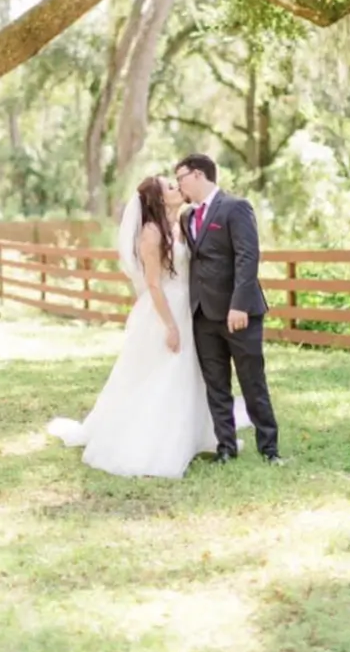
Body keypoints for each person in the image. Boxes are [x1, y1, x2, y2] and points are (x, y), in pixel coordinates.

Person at [46, 175, 250, 478]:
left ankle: (193, 434)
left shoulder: (181, 224)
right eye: (170, 186)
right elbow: (153, 284)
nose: (176, 188)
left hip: (187, 306)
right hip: (163, 310)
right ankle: (155, 441)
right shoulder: (151, 234)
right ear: (157, 199)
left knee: (189, 371)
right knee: (162, 372)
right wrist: (170, 326)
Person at [175, 154, 282, 465]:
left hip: (239, 314)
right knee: (216, 384)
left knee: (252, 380)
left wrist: (239, 305)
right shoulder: (186, 218)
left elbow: (247, 258)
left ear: (197, 174)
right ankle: (226, 447)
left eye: (181, 176)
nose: (179, 182)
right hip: (203, 315)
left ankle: (269, 449)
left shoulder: (235, 208)